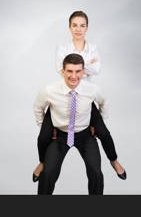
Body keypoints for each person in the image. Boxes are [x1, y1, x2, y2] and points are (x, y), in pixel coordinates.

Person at [33, 11, 126, 182]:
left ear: (87, 28)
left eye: (82, 25)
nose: (78, 29)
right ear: (69, 27)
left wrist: (77, 66)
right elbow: (60, 69)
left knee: (104, 133)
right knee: (43, 136)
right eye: (74, 25)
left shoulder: (93, 48)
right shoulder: (62, 47)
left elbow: (97, 69)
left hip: (85, 96)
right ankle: (42, 162)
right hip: (64, 96)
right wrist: (85, 64)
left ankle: (114, 161)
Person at [34, 53, 105, 194]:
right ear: (63, 71)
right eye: (70, 71)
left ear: (83, 72)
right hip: (60, 136)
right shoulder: (49, 90)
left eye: (78, 71)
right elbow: (38, 108)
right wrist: (44, 126)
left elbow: (104, 103)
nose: (74, 76)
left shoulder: (92, 89)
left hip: (85, 136)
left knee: (96, 172)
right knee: (48, 173)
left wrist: (96, 125)